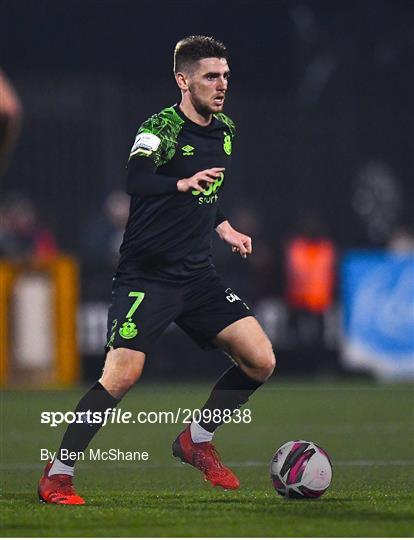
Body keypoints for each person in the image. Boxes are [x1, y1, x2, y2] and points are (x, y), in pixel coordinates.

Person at [38, 35, 276, 505]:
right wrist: (180, 181)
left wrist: (223, 225)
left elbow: (210, 191)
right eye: (210, 76)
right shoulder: (160, 128)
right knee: (122, 375)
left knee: (261, 360)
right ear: (182, 80)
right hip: (147, 276)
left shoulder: (224, 129)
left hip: (198, 275)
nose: (221, 83)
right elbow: (136, 179)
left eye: (225, 75)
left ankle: (196, 440)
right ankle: (57, 475)